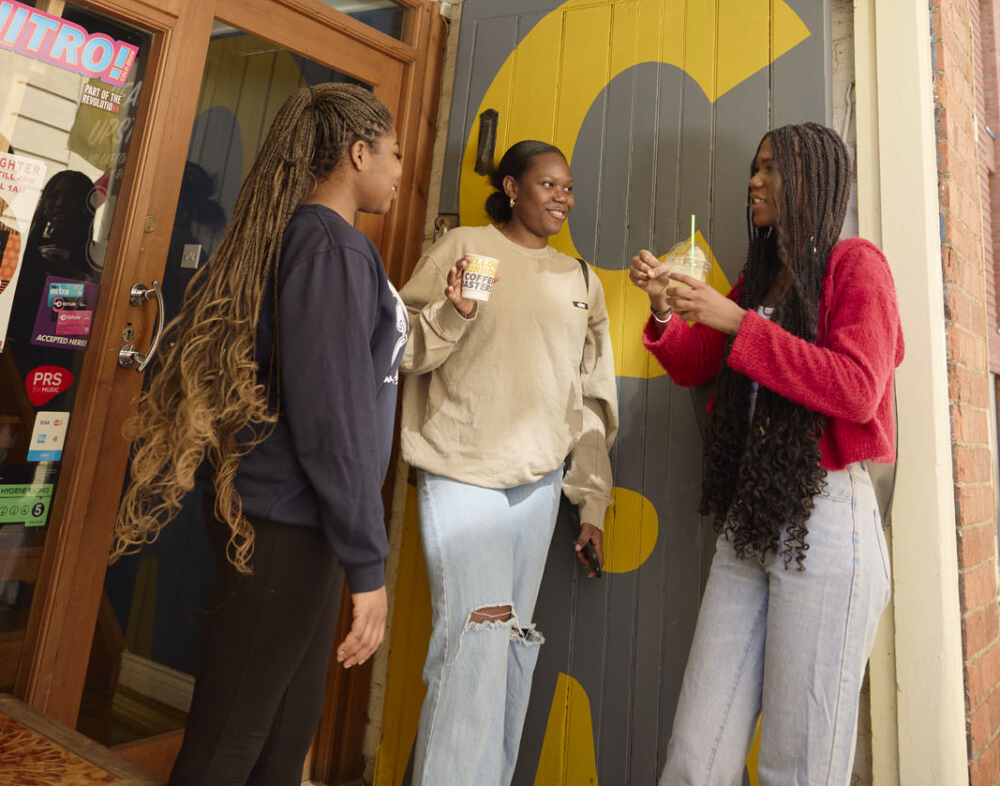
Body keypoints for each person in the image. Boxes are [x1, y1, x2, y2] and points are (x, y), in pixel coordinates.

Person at [112, 82, 408, 786]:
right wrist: (369, 564)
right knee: (233, 736)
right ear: (357, 152)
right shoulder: (332, 247)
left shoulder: (313, 242)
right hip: (286, 523)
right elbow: (332, 414)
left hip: (296, 520)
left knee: (284, 728)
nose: (401, 173)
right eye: (394, 155)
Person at [630, 122, 903, 786]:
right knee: (695, 756)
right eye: (753, 168)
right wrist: (665, 312)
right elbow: (701, 365)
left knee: (798, 766)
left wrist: (735, 322)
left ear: (812, 177)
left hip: (828, 520)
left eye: (771, 168)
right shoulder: (762, 279)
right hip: (751, 519)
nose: (754, 180)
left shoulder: (856, 265)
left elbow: (857, 389)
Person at [399, 139, 618, 786]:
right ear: (513, 187)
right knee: (474, 644)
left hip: (538, 485)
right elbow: (405, 348)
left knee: (514, 646)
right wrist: (457, 307)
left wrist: (592, 501)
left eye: (568, 187)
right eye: (548, 184)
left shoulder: (581, 280)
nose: (561, 198)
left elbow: (591, 402)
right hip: (461, 471)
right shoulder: (470, 248)